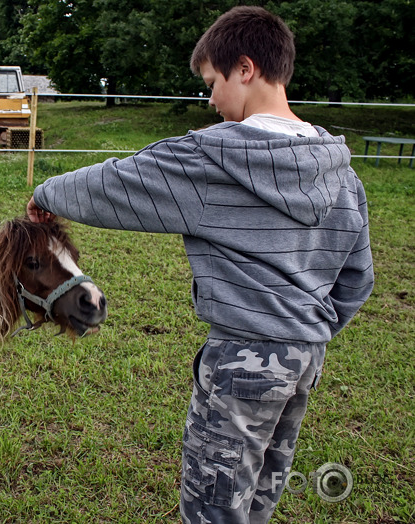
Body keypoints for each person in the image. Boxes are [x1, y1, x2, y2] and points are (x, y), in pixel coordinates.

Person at [26, 5, 374, 523]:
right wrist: (305, 330)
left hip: (241, 360)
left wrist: (46, 192)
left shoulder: (212, 159)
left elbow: (119, 182)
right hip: (306, 359)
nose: (210, 99)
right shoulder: (343, 174)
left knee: (213, 505)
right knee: (258, 495)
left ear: (246, 69)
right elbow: (357, 280)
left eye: (213, 82)